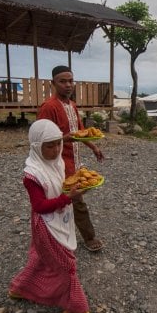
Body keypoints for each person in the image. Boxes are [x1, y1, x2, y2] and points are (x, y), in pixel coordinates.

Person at [8, 119, 96, 313]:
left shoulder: (57, 163)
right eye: (49, 145)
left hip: (60, 218)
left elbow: (62, 185)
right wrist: (69, 199)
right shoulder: (32, 175)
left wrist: (79, 181)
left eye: (58, 143)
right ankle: (77, 309)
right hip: (46, 225)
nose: (56, 149)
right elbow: (39, 206)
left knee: (41, 259)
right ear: (37, 147)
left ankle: (20, 288)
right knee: (67, 264)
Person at [37, 65, 105, 252]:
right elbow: (40, 139)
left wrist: (94, 147)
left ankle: (57, 237)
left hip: (74, 161)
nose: (68, 85)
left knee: (68, 200)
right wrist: (66, 137)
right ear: (53, 83)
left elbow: (81, 132)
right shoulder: (48, 107)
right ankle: (88, 238)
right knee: (75, 200)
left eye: (70, 81)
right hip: (57, 163)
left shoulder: (72, 105)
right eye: (63, 81)